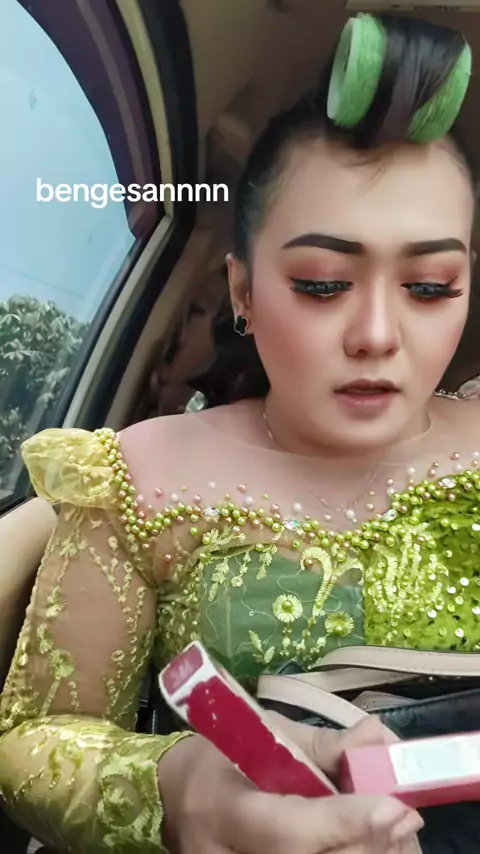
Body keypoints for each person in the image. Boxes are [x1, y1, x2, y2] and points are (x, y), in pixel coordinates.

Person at [0, 11, 478, 853]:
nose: (377, 334)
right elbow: (35, 739)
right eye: (323, 283)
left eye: (430, 287)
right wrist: (183, 792)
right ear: (243, 292)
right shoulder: (137, 478)